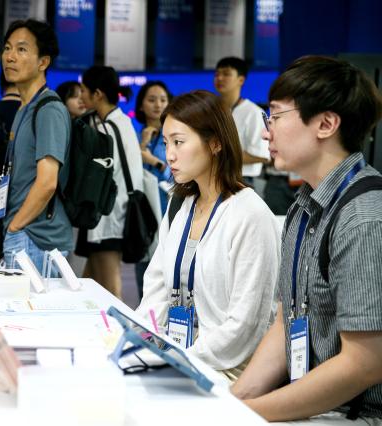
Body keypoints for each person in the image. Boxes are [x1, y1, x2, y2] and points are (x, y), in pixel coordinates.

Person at [232, 56, 382, 424]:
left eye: (277, 117)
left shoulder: (363, 218)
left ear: (326, 123)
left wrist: (246, 413)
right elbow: (287, 323)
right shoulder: (304, 208)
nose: (267, 132)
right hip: (315, 406)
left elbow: (365, 363)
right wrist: (232, 402)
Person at [136, 90, 280, 382]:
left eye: (179, 142)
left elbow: (245, 326)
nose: (169, 154)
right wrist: (137, 339)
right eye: (165, 143)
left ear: (215, 143)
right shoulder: (179, 206)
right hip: (180, 356)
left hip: (229, 370)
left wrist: (177, 356)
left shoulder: (250, 214)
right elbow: (155, 292)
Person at [0, 19, 72, 273]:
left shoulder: (49, 109)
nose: (10, 57)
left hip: (37, 239)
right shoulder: (24, 108)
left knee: (30, 313)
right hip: (25, 234)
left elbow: (47, 182)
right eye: (7, 48)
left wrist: (16, 226)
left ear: (43, 61)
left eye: (21, 50)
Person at [76, 65, 144, 299]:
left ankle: (119, 331)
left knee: (110, 291)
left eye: (84, 91)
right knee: (90, 287)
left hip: (109, 217)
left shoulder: (109, 127)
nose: (81, 96)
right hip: (108, 216)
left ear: (98, 94)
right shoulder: (116, 122)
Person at [134, 81, 173, 300]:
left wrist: (156, 162)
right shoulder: (138, 135)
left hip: (169, 212)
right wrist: (142, 146)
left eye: (163, 99)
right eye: (151, 100)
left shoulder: (174, 135)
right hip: (145, 216)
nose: (158, 105)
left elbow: (180, 175)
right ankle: (147, 328)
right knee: (145, 277)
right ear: (141, 105)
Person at [214, 57, 270, 186]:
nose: (220, 78)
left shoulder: (254, 112)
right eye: (217, 74)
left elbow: (262, 155)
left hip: (244, 181)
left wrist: (220, 156)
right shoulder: (211, 110)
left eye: (226, 74)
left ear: (241, 79)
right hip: (215, 179)